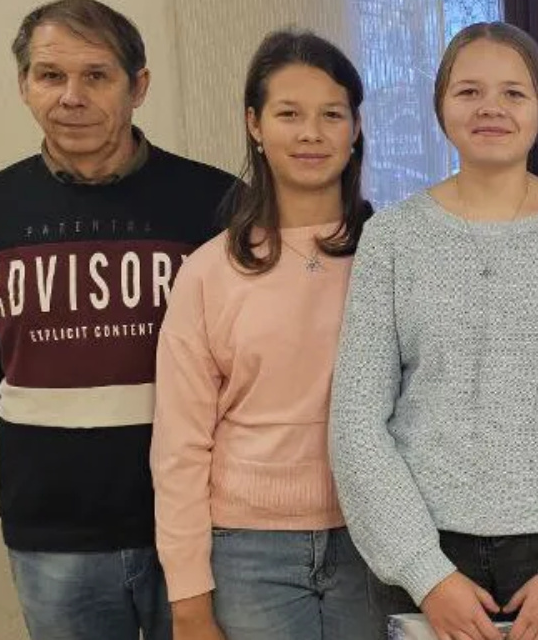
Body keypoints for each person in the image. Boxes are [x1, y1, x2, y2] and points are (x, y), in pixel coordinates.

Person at [329, 22, 538, 640]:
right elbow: (356, 418)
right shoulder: (392, 237)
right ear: (441, 105)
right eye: (469, 91)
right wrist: (425, 573)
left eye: (513, 93)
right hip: (427, 552)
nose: (490, 108)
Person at [0, 0, 237, 639]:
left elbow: (245, 364)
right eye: (50, 75)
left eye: (97, 75)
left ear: (139, 87)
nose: (71, 97)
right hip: (53, 531)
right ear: (24, 84)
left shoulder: (217, 207)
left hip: (201, 524)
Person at [150, 31, 382, 640]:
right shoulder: (208, 271)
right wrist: (189, 601)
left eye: (331, 115)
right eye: (289, 114)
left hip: (376, 540)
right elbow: (179, 446)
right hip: (248, 551)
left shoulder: (393, 257)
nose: (311, 134)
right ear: (255, 124)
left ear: (355, 128)